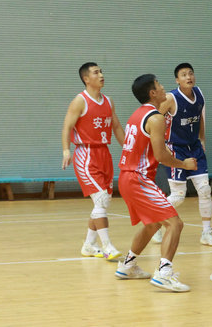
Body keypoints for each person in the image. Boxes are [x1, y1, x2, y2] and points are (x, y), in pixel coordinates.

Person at [115, 74, 197, 292]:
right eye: (160, 86)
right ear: (152, 93)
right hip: (138, 179)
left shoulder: (137, 114)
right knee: (175, 224)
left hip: (126, 177)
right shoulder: (156, 118)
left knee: (153, 224)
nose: (164, 89)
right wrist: (184, 164)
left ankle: (127, 266)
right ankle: (164, 274)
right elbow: (161, 156)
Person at [152, 63, 212, 247]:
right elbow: (154, 120)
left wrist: (202, 140)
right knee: (178, 196)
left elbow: (200, 119)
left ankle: (206, 232)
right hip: (176, 149)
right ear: (177, 80)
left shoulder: (199, 93)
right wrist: (161, 145)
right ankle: (155, 223)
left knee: (205, 190)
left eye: (191, 73)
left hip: (195, 148)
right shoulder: (171, 98)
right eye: (184, 75)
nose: (188, 77)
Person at [61, 62, 125, 261]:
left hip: (104, 153)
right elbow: (67, 127)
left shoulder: (108, 101)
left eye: (101, 71)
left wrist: (128, 149)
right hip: (86, 154)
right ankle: (107, 246)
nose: (101, 75)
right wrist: (66, 150)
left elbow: (116, 127)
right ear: (86, 79)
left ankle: (89, 245)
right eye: (96, 72)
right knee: (100, 200)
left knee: (103, 202)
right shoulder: (80, 101)